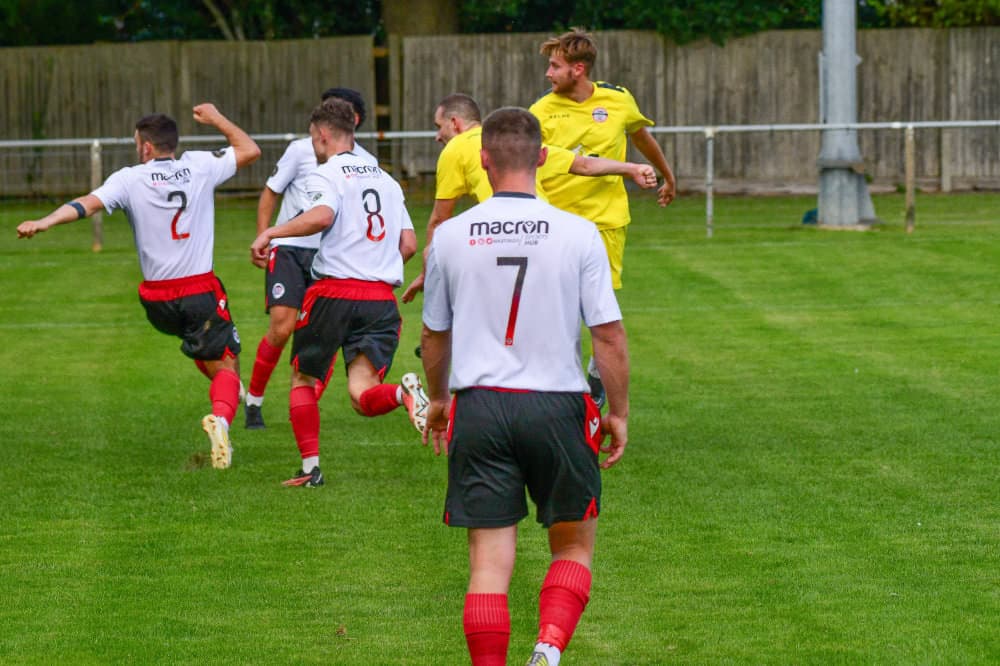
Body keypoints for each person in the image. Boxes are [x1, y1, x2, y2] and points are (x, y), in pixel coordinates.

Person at [420, 107, 629, 666]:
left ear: (482, 159)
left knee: (488, 564)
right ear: (541, 157)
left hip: (480, 406)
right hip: (558, 404)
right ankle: (548, 648)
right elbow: (607, 335)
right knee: (573, 543)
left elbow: (434, 334)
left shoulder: (449, 238)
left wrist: (439, 399)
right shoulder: (579, 234)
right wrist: (619, 411)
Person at [16, 104, 261, 469]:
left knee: (204, 345)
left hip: (157, 302)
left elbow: (86, 205)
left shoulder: (129, 179)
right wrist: (216, 118)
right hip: (198, 292)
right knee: (227, 364)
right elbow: (250, 150)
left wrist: (46, 221)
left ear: (146, 146)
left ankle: (225, 389)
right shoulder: (200, 165)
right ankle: (222, 419)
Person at [250, 98, 428, 488]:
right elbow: (410, 243)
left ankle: (311, 468)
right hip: (380, 300)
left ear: (322, 134)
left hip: (334, 293)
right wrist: (374, 263)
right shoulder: (387, 180)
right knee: (362, 394)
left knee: (303, 379)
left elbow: (322, 216)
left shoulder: (326, 174)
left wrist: (271, 232)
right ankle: (403, 394)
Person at [529, 28, 675, 406]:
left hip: (606, 223)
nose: (548, 73)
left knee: (598, 310)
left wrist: (667, 174)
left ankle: (595, 379)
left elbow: (640, 136)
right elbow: (545, 165)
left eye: (555, 66)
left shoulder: (618, 99)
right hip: (556, 225)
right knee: (558, 310)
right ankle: (564, 385)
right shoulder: (540, 112)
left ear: (578, 69)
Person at [401, 92, 659, 303]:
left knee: (489, 314)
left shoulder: (455, 149)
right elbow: (584, 165)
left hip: (502, 237)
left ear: (455, 123)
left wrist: (427, 274)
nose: (438, 136)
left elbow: (439, 220)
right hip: (545, 234)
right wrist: (632, 168)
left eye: (439, 127)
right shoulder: (517, 141)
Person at [245, 87, 376, 429]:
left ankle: (303, 405)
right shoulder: (300, 150)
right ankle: (254, 401)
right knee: (282, 326)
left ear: (353, 119)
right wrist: (265, 236)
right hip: (289, 249)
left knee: (322, 335)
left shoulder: (367, 163)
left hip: (329, 257)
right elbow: (270, 192)